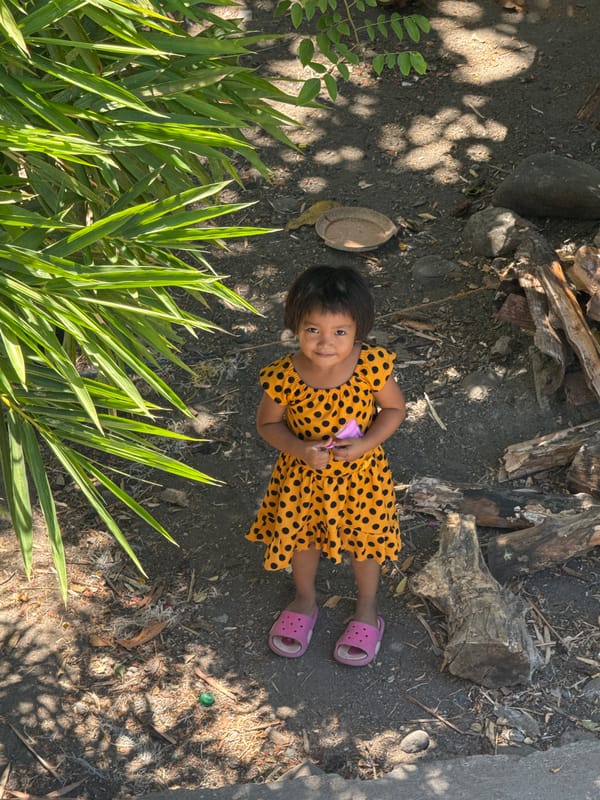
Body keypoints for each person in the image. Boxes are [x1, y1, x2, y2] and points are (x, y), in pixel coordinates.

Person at [246, 265, 406, 667]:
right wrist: (300, 450)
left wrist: (365, 443)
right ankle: (304, 599)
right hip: (303, 477)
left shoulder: (371, 366)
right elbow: (268, 423)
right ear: (295, 326)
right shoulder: (285, 376)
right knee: (303, 539)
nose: (325, 342)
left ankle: (367, 607)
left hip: (362, 477)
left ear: (358, 331)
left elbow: (394, 409)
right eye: (313, 329)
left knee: (365, 543)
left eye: (339, 332)